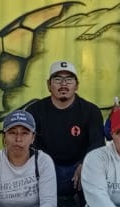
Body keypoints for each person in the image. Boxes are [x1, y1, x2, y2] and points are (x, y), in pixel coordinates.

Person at [24, 59, 105, 198]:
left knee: (93, 169)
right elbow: (28, 144)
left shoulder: (91, 111)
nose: (63, 84)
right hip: (46, 166)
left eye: (69, 80)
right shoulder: (34, 111)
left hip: (79, 167)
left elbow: (97, 144)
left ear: (77, 85)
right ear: (49, 85)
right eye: (57, 79)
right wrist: (41, 165)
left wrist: (86, 163)